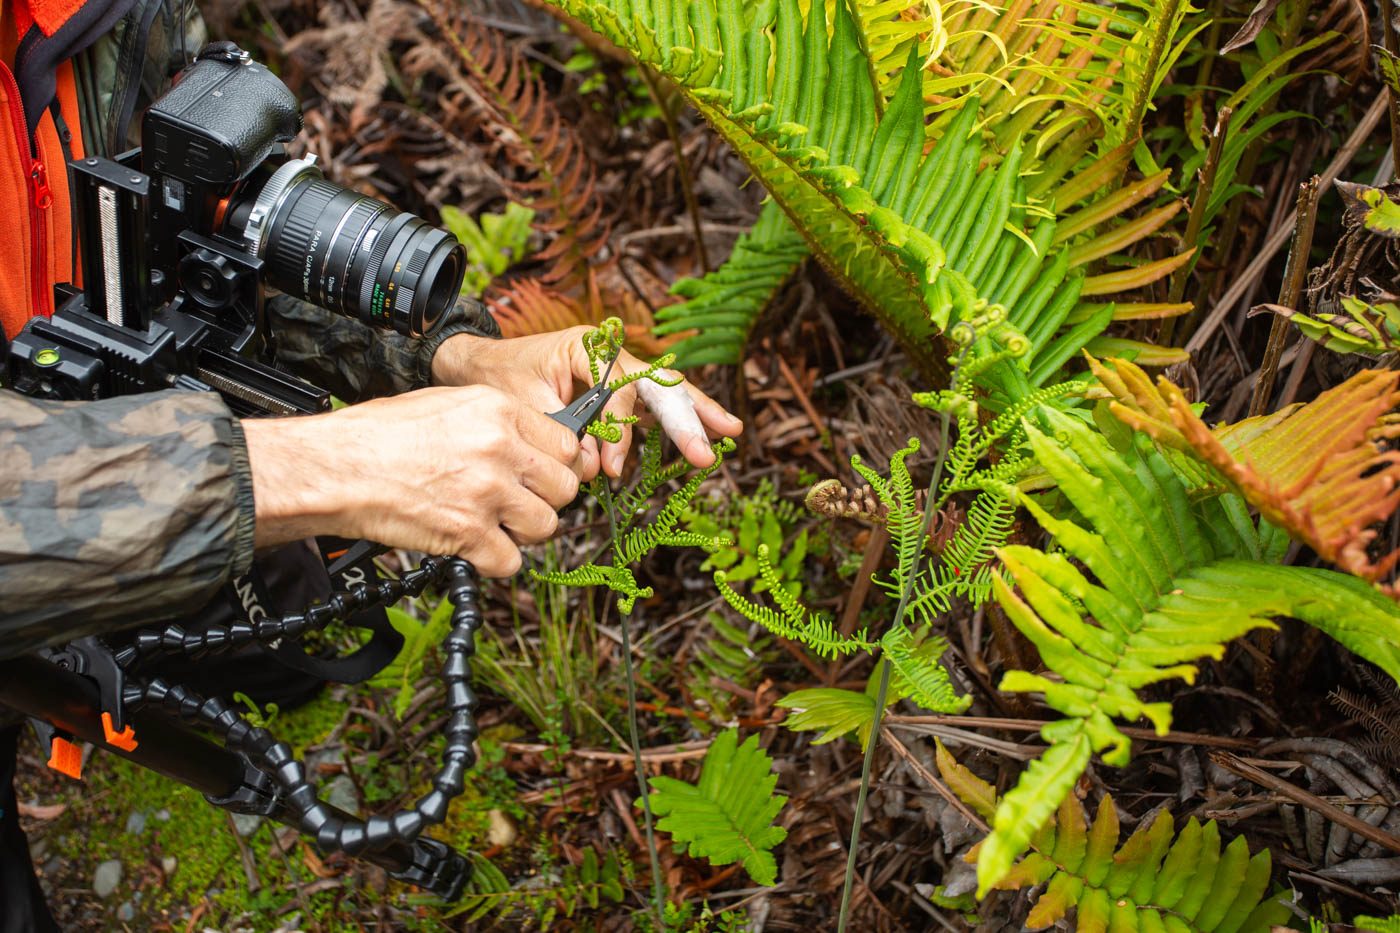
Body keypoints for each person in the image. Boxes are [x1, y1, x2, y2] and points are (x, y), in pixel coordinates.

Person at [0, 1, 742, 929]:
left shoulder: (83, 13)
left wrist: (458, 356)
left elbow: (206, 225)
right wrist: (305, 471)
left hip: (128, 423)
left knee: (294, 640)